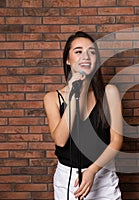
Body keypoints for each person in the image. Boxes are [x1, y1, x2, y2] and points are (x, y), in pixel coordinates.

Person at [44, 31, 123, 200]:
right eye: (78, 51)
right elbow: (60, 140)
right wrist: (74, 93)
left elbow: (116, 141)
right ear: (67, 59)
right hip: (69, 180)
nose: (86, 56)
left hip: (102, 174)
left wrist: (92, 171)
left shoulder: (109, 93)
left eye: (92, 52)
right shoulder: (52, 98)